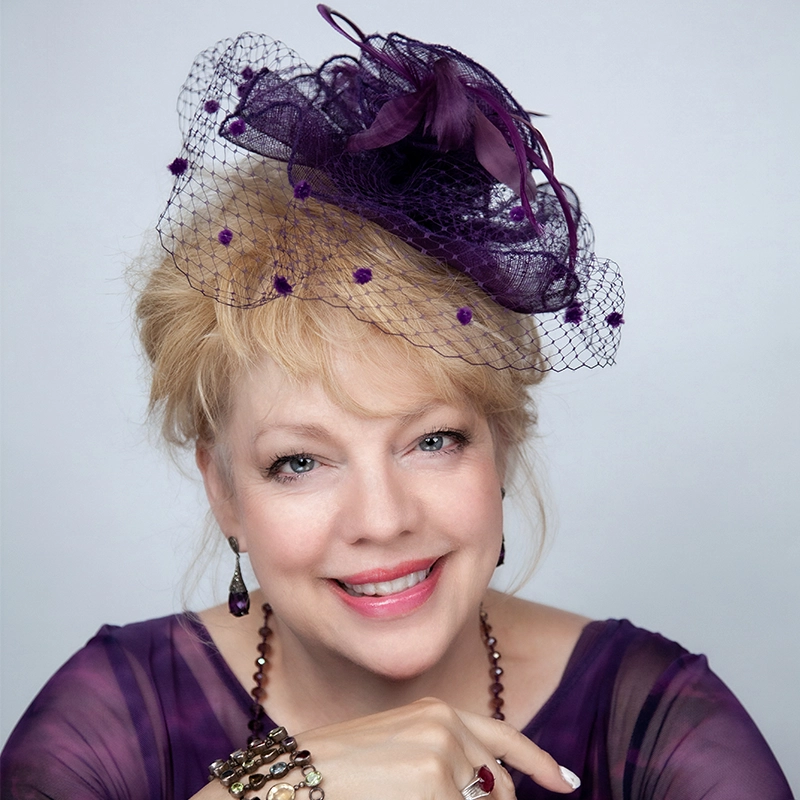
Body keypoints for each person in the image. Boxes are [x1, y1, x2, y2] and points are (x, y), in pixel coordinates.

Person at [1, 6, 792, 799]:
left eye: (433, 441)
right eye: (299, 462)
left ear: (501, 447)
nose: (381, 520)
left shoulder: (657, 721)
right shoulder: (107, 720)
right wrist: (279, 787)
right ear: (224, 491)